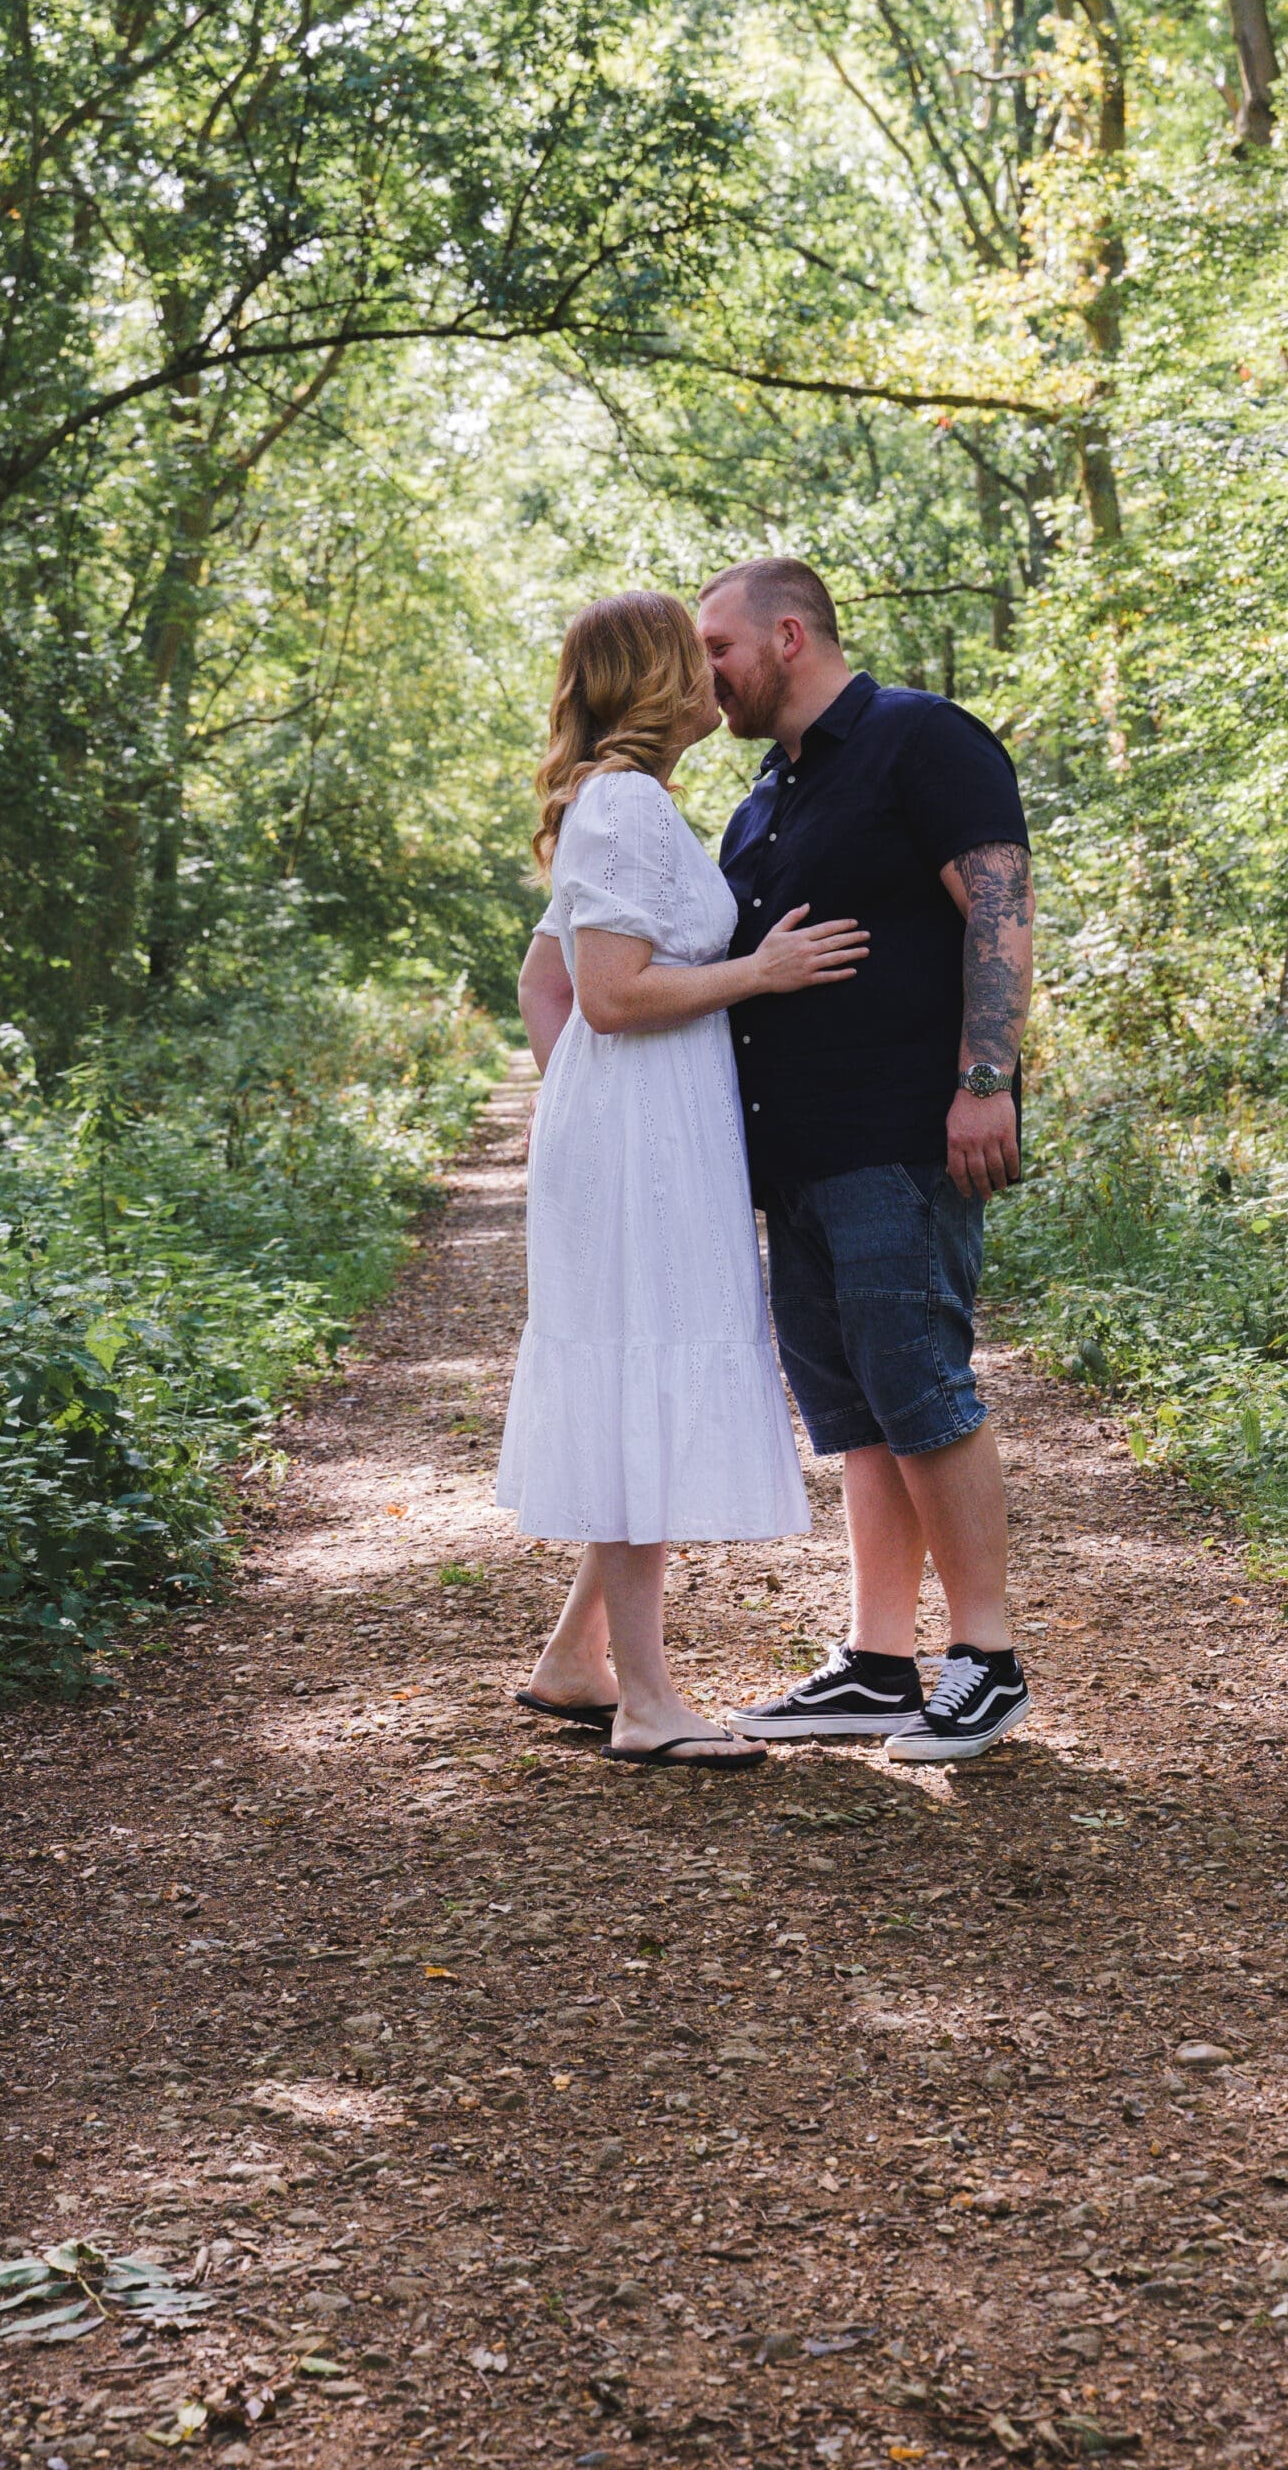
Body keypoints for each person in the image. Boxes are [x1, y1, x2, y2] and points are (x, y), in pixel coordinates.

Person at [496, 589, 870, 1769]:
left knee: (640, 1370)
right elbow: (603, 995)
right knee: (641, 1374)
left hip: (642, 1127)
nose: (717, 673)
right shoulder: (619, 808)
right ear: (655, 676)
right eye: (693, 653)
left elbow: (540, 983)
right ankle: (649, 1702)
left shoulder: (625, 806)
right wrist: (760, 974)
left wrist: (589, 1104)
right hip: (636, 1139)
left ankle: (574, 1661)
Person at [699, 558, 1037, 1764]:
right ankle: (878, 1661)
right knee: (853, 1411)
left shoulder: (918, 740)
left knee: (921, 1390)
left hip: (900, 1137)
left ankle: (984, 1661)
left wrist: (981, 1080)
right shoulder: (765, 794)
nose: (705, 674)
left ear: (788, 636)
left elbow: (997, 904)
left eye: (717, 647)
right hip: (791, 1153)